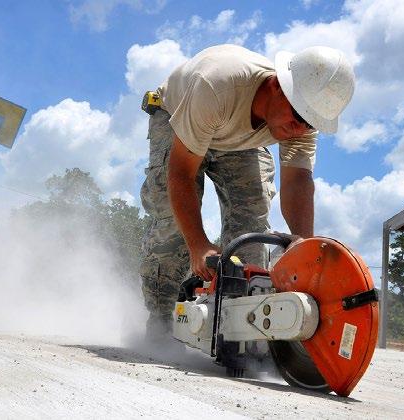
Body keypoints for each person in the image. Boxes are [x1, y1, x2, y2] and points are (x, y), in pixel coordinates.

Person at [139, 44, 355, 340]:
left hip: (238, 136)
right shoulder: (216, 86)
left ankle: (238, 329)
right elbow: (181, 175)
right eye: (297, 118)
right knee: (174, 227)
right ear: (278, 86)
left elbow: (297, 181)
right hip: (180, 116)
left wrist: (303, 246)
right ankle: (161, 325)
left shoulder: (301, 118)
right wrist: (199, 245)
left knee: (251, 226)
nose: (299, 130)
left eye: (310, 124)